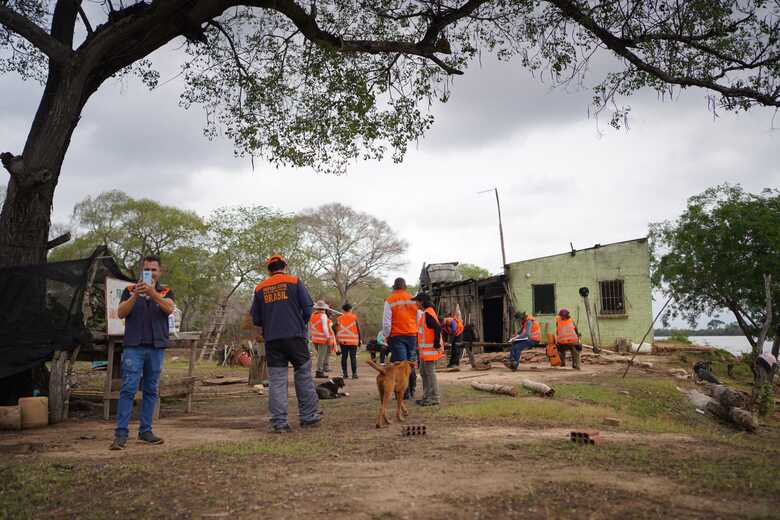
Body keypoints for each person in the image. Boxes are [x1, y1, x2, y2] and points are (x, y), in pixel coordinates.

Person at [110, 255, 175, 450]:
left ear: (159, 272)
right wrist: (136, 295)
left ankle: (145, 431)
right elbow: (121, 313)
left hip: (156, 347)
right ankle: (121, 434)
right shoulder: (130, 290)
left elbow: (169, 309)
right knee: (128, 388)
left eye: (154, 269)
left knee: (150, 389)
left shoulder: (166, 291)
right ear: (142, 271)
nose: (151, 273)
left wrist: (153, 294)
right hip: (134, 347)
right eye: (147, 270)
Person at [250, 254, 320, 433]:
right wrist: (300, 323)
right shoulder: (295, 281)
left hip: (272, 340)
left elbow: (256, 319)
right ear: (285, 266)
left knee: (277, 381)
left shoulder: (260, 288)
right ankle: (308, 417)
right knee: (303, 375)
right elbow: (308, 309)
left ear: (269, 270)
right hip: (295, 337)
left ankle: (279, 423)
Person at [382, 277, 418, 399]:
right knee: (411, 364)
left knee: (401, 365)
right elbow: (419, 317)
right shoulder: (413, 299)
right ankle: (412, 390)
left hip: (397, 336)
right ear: (405, 286)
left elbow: (386, 323)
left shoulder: (390, 300)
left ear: (394, 286)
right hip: (412, 335)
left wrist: (386, 336)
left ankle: (404, 394)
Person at [413, 292, 442, 406]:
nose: (415, 303)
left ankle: (435, 398)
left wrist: (436, 344)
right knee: (423, 373)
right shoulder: (425, 313)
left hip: (430, 351)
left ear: (421, 302)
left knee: (430, 373)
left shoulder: (429, 313)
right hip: (425, 352)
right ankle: (426, 396)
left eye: (416, 301)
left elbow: (437, 327)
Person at [309, 301, 337, 379]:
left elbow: (311, 327)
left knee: (323, 354)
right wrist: (328, 337)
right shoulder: (323, 316)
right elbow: (325, 328)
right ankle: (319, 371)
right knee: (321, 356)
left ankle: (324, 367)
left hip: (315, 338)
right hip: (323, 339)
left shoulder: (312, 315)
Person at [336, 303, 362, 379]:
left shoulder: (339, 318)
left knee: (344, 357)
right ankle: (354, 374)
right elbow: (358, 329)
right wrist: (359, 340)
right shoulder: (354, 317)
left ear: (343, 310)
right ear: (350, 309)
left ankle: (345, 374)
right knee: (353, 357)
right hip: (353, 340)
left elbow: (335, 329)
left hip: (343, 340)